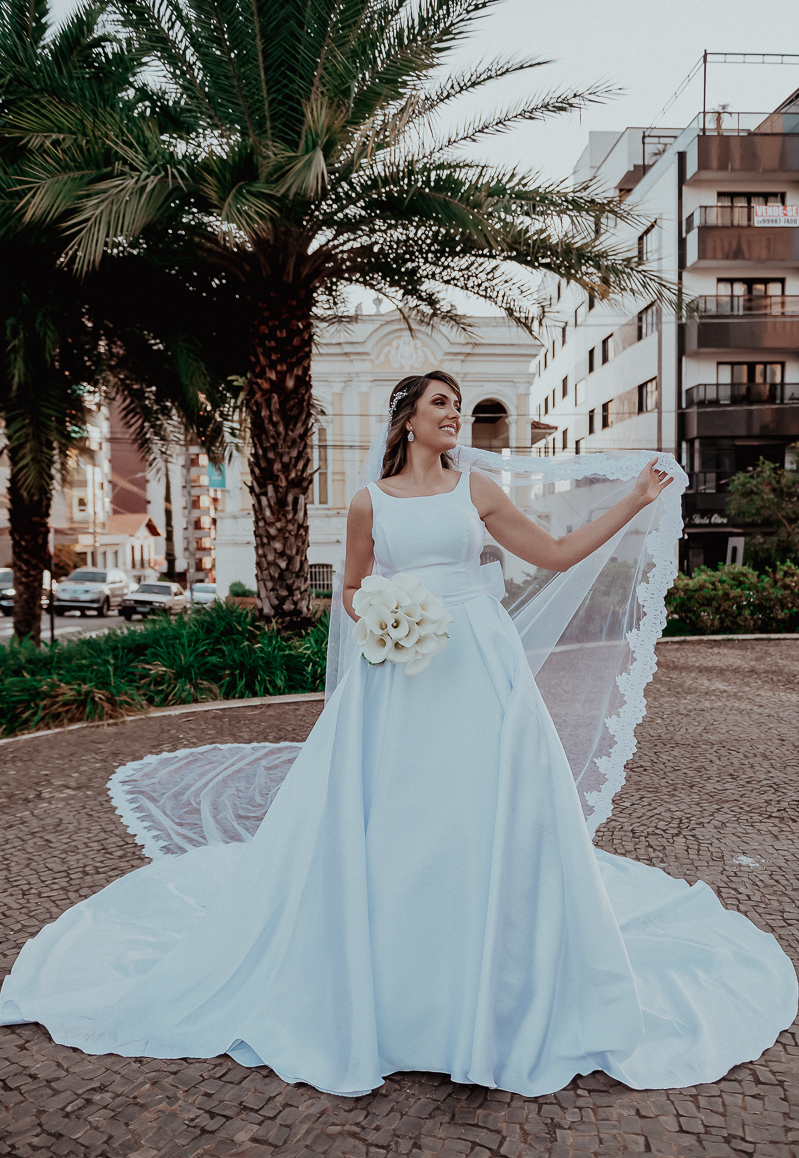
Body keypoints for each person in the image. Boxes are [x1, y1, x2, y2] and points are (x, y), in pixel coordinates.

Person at [1, 369, 796, 1100]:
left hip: (478, 668)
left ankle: (487, 976)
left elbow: (552, 555)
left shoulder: (477, 490)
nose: (455, 415)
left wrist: (631, 503)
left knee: (485, 810)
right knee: (396, 816)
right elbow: (349, 589)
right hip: (399, 674)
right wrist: (379, 614)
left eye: (457, 404)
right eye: (440, 404)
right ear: (409, 421)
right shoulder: (368, 502)